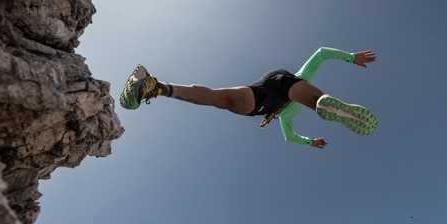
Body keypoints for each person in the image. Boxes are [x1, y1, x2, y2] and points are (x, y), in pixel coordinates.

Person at [119, 47, 377, 148]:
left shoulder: (284, 117)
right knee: (300, 92)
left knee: (221, 99)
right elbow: (320, 54)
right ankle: (322, 104)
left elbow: (288, 136)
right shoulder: (289, 112)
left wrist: (310, 142)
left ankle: (156, 86)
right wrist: (310, 142)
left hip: (263, 99)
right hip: (279, 86)